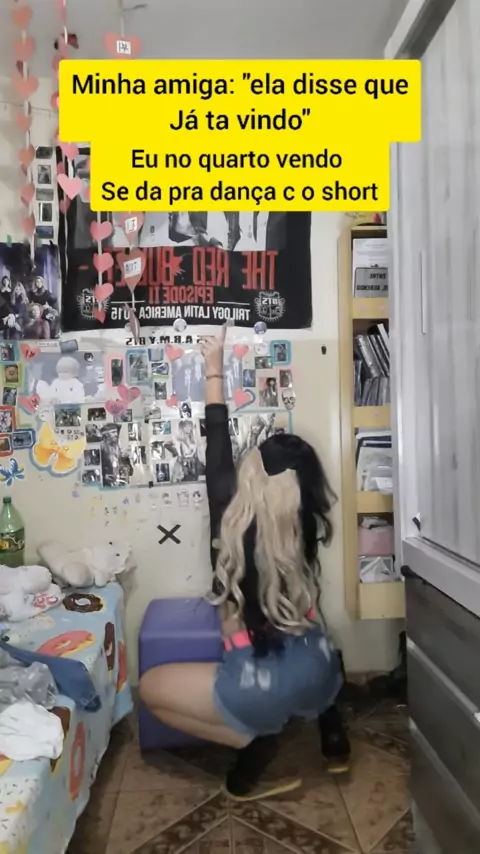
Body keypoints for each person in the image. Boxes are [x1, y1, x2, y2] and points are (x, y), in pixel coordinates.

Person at [140, 325, 350, 800]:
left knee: (150, 689)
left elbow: (216, 438)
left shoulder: (228, 509)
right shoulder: (305, 525)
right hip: (318, 670)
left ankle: (253, 751)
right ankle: (330, 727)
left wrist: (213, 365)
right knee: (318, 641)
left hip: (259, 686)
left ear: (252, 473)